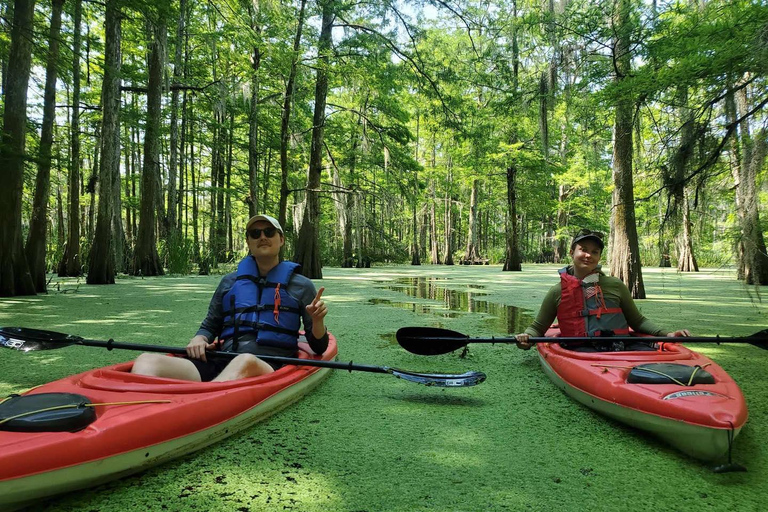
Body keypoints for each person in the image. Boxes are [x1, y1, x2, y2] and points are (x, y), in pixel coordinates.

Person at [131, 214, 329, 381]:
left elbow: (318, 347)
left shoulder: (302, 286)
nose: (262, 237)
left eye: (269, 232)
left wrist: (317, 321)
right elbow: (210, 326)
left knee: (246, 361)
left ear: (282, 239)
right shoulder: (229, 283)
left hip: (270, 366)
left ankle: (204, 402)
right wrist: (199, 338)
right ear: (248, 242)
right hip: (223, 360)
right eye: (255, 234)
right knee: (147, 360)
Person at [515, 229, 689, 351]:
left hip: (618, 348)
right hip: (579, 351)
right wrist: (526, 338)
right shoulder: (557, 292)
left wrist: (668, 334)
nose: (588, 255)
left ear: (599, 257)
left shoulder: (615, 285)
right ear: (571, 252)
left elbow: (638, 321)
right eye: (583, 249)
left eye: (595, 252)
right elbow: (538, 328)